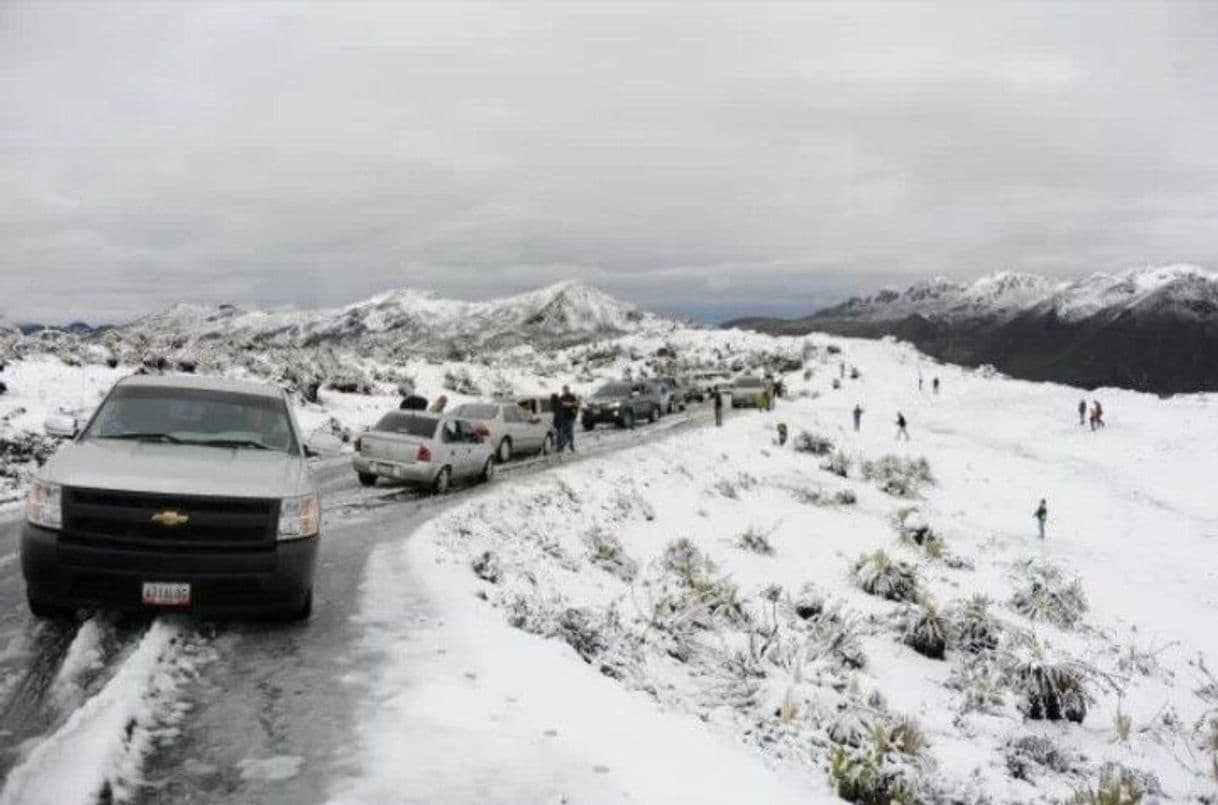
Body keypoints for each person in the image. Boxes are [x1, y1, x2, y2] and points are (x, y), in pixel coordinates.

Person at [559, 385, 580, 451]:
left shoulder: (572, 397)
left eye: (566, 389)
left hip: (570, 418)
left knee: (570, 432)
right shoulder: (561, 397)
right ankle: (562, 446)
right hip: (563, 417)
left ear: (568, 389)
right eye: (564, 389)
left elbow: (576, 406)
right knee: (562, 432)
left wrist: (574, 415)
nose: (565, 390)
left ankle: (571, 445)